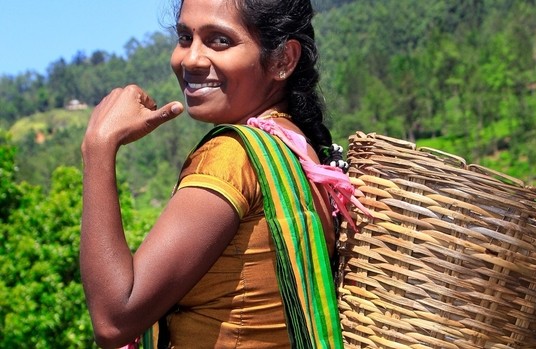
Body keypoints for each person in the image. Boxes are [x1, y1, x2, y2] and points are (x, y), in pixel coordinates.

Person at [80, 0, 365, 348]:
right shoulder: (300, 152)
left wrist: (98, 146)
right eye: (185, 37)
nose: (190, 59)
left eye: (219, 41)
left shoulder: (232, 157)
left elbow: (114, 319)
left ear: (282, 60)